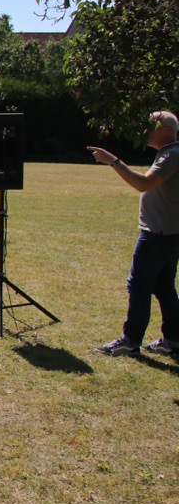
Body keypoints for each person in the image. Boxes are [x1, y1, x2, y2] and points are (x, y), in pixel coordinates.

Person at [89, 111, 179, 356]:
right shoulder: (171, 153)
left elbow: (143, 183)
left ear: (168, 131)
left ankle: (130, 340)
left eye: (153, 126)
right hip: (169, 233)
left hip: (157, 235)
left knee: (139, 285)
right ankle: (173, 339)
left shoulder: (171, 155)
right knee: (163, 286)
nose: (146, 131)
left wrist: (113, 161)